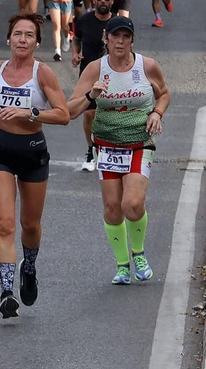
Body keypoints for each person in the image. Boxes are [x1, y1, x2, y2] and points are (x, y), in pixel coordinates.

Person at [0, 14, 72, 318]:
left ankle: (29, 267)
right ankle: (6, 292)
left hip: (32, 153)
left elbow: (63, 114)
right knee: (5, 224)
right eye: (17, 33)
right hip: (0, 151)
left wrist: (31, 113)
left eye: (29, 35)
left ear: (37, 42)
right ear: (8, 38)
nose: (22, 39)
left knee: (30, 225)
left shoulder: (43, 74)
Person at [65, 17, 170, 285]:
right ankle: (122, 266)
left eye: (125, 37)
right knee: (112, 208)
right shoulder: (95, 69)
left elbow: (164, 94)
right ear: (106, 38)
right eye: (115, 36)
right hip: (106, 144)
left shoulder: (146, 66)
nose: (120, 42)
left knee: (131, 204)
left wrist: (157, 113)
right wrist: (91, 95)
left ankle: (139, 254)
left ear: (132, 40)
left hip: (139, 142)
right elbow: (70, 110)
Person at [70, 0, 118, 171]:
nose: (103, 1)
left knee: (110, 114)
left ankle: (111, 148)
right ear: (93, 0)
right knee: (89, 113)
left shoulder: (117, 23)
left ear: (112, 1)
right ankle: (91, 151)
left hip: (112, 75)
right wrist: (76, 54)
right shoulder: (84, 20)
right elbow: (76, 39)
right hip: (89, 75)